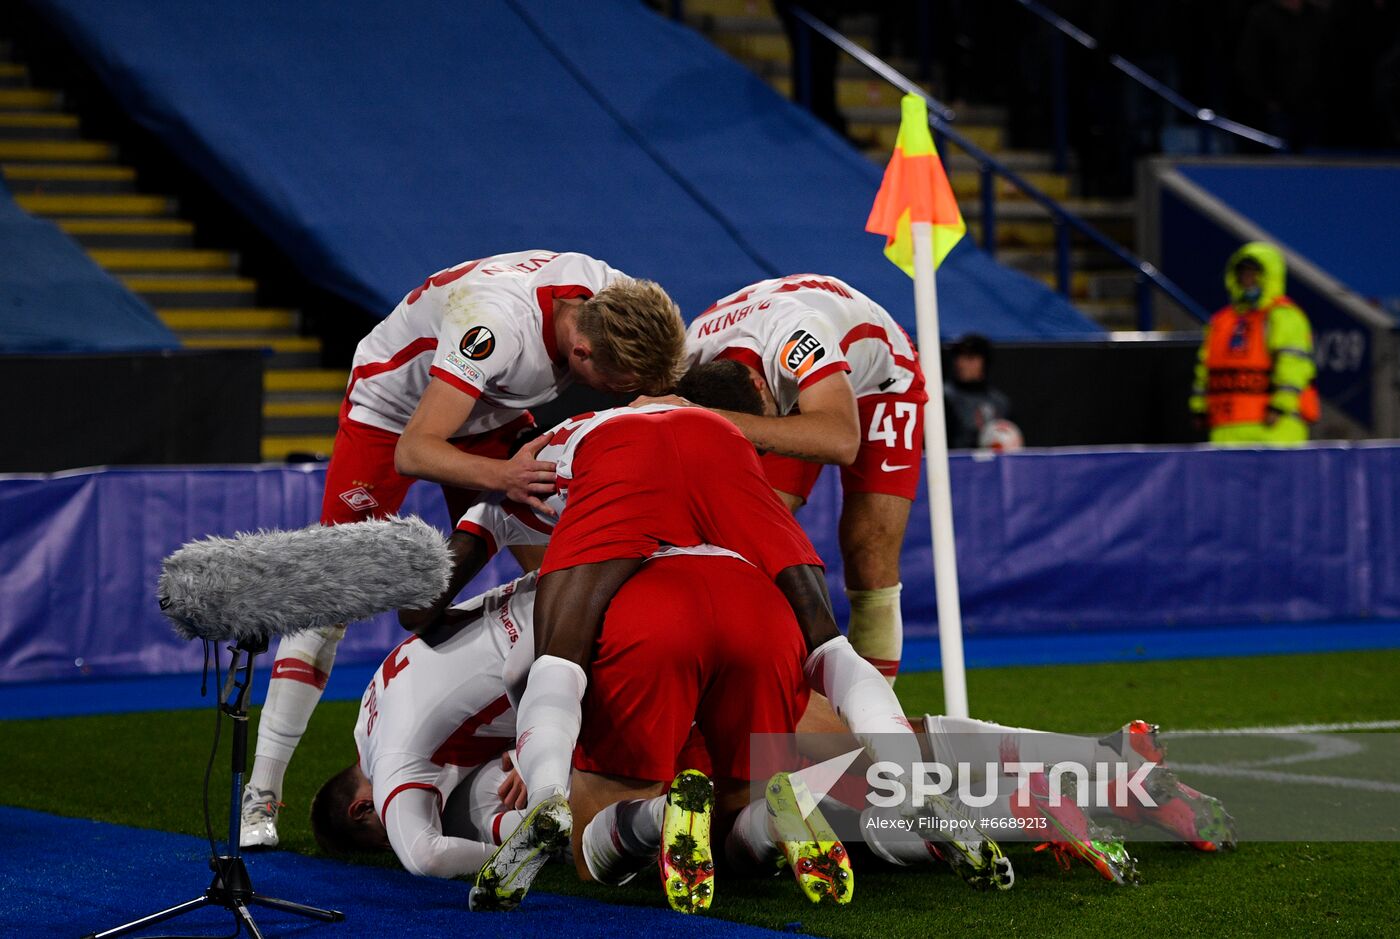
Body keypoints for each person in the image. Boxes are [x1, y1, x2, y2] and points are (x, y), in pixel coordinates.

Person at [467, 397, 1011, 912]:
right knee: (831, 650)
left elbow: (536, 664)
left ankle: (561, 806)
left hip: (637, 567)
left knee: (563, 679)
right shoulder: (713, 431)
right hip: (753, 590)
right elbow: (825, 677)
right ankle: (896, 788)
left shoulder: (560, 449)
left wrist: (540, 768)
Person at [243, 249, 687, 848]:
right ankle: (261, 797)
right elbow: (417, 449)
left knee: (567, 585)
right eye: (620, 387)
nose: (621, 396)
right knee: (329, 599)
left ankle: (556, 752)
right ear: (582, 352)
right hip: (397, 415)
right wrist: (502, 477)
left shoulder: (617, 296)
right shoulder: (496, 326)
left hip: (495, 410)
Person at [683, 273, 927, 686]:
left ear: (761, 388)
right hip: (782, 377)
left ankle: (874, 716)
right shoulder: (689, 356)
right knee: (749, 540)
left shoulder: (798, 336)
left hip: (882, 381)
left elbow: (841, 439)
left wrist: (729, 424)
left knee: (869, 551)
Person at [309, 574, 536, 878]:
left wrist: (519, 857)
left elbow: (427, 858)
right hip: (539, 590)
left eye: (387, 839)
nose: (394, 839)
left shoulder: (392, 769)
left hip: (573, 639)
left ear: (362, 809)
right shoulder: (366, 717)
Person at [1189, 242, 1318, 445]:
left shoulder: (1283, 316)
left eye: (1254, 274)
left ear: (1269, 276)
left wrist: (1280, 406)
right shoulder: (1221, 321)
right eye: (1243, 274)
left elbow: (1294, 366)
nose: (1248, 280)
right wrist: (1199, 407)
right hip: (1225, 430)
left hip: (1274, 430)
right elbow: (1205, 369)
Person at [942, 333, 1013, 450]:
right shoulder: (943, 398)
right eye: (958, 357)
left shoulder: (1000, 402)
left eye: (970, 358)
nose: (961, 364)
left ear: (985, 362)